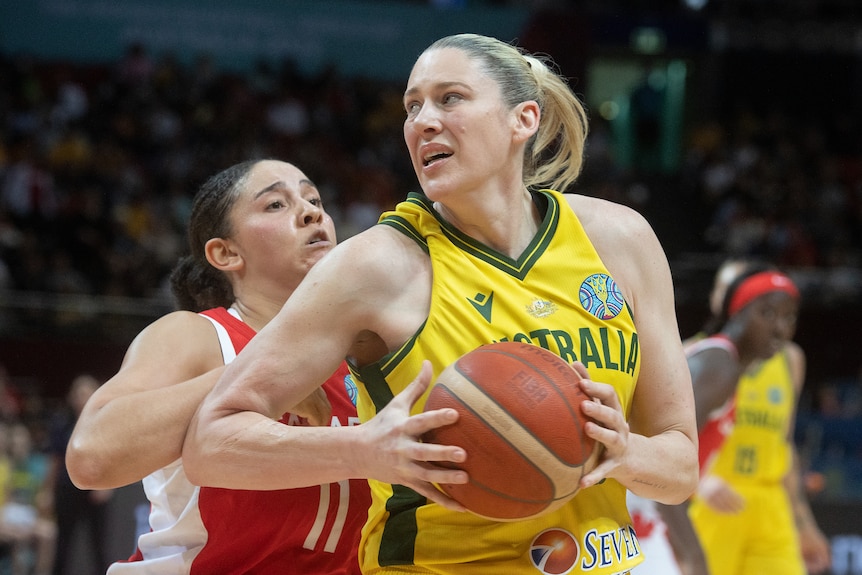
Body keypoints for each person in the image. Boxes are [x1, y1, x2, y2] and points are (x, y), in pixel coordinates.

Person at [183, 33, 699, 574]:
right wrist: (364, 448)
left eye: (449, 98)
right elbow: (211, 442)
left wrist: (623, 451)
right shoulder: (377, 266)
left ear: (522, 120)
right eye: (412, 106)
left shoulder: (621, 240)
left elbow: (680, 466)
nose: (422, 121)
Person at [66, 159, 450, 573]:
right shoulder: (198, 335)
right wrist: (257, 377)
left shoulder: (368, 354)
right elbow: (91, 457)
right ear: (226, 252)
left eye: (314, 199)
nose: (311, 211)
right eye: (275, 205)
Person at [653, 260, 832, 575]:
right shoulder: (712, 361)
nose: (779, 326)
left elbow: (785, 444)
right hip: (700, 499)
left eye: (788, 317)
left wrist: (804, 522)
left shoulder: (779, 360)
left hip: (767, 500)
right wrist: (695, 555)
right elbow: (661, 457)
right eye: (767, 312)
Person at [45, 374, 113, 575]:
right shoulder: (62, 423)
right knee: (63, 541)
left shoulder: (106, 423)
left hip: (95, 490)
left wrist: (106, 486)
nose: (81, 397)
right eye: (78, 393)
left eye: (86, 392)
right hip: (67, 489)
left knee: (99, 542)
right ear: (71, 397)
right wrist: (48, 491)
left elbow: (111, 457)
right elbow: (55, 461)